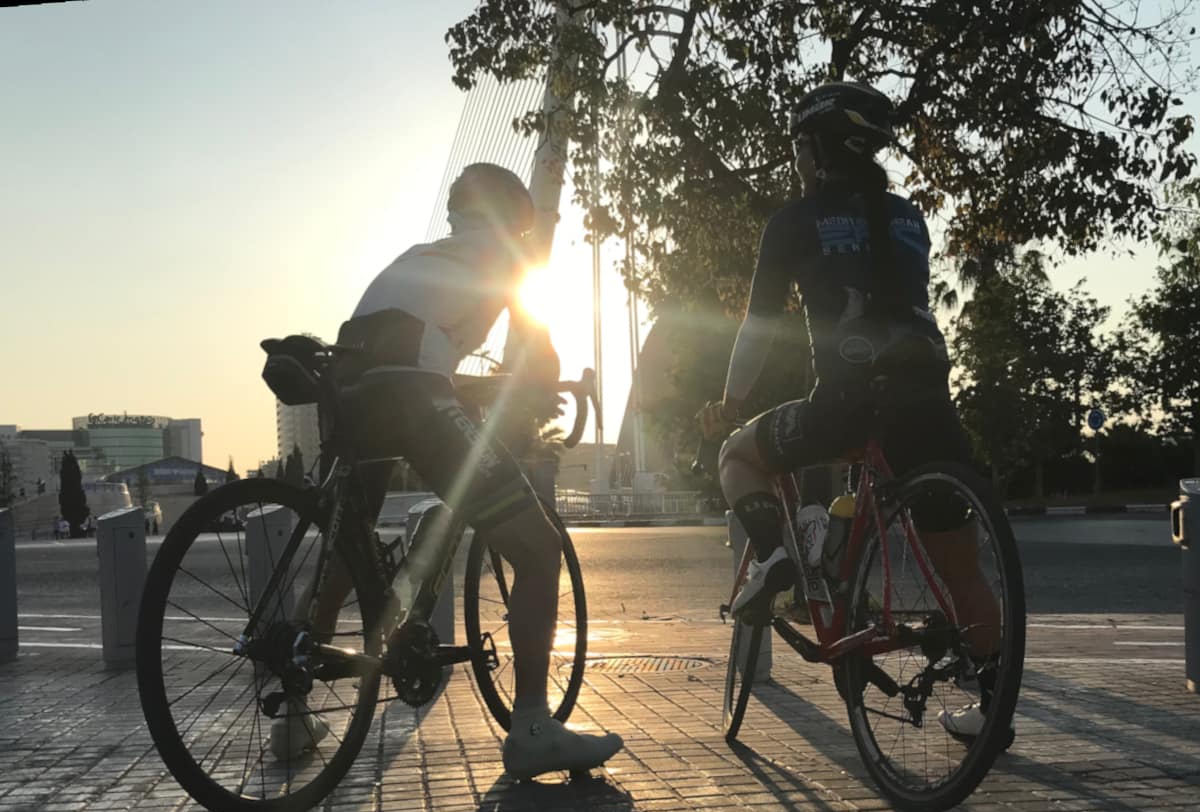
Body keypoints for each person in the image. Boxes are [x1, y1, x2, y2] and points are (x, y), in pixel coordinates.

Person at [274, 163, 623, 777]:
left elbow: (414, 357)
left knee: (344, 553)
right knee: (539, 552)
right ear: (515, 223)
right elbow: (537, 361)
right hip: (413, 395)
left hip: (351, 387)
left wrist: (483, 392)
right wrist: (553, 388)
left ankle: (291, 718)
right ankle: (535, 727)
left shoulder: (417, 257)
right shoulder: (512, 260)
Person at [698, 82, 1003, 740]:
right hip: (928, 398)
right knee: (961, 564)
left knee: (738, 455)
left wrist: (731, 403)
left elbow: (757, 327)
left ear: (814, 149)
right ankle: (991, 706)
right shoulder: (908, 216)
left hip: (847, 400)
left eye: (798, 148)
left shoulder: (793, 220)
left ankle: (775, 557)